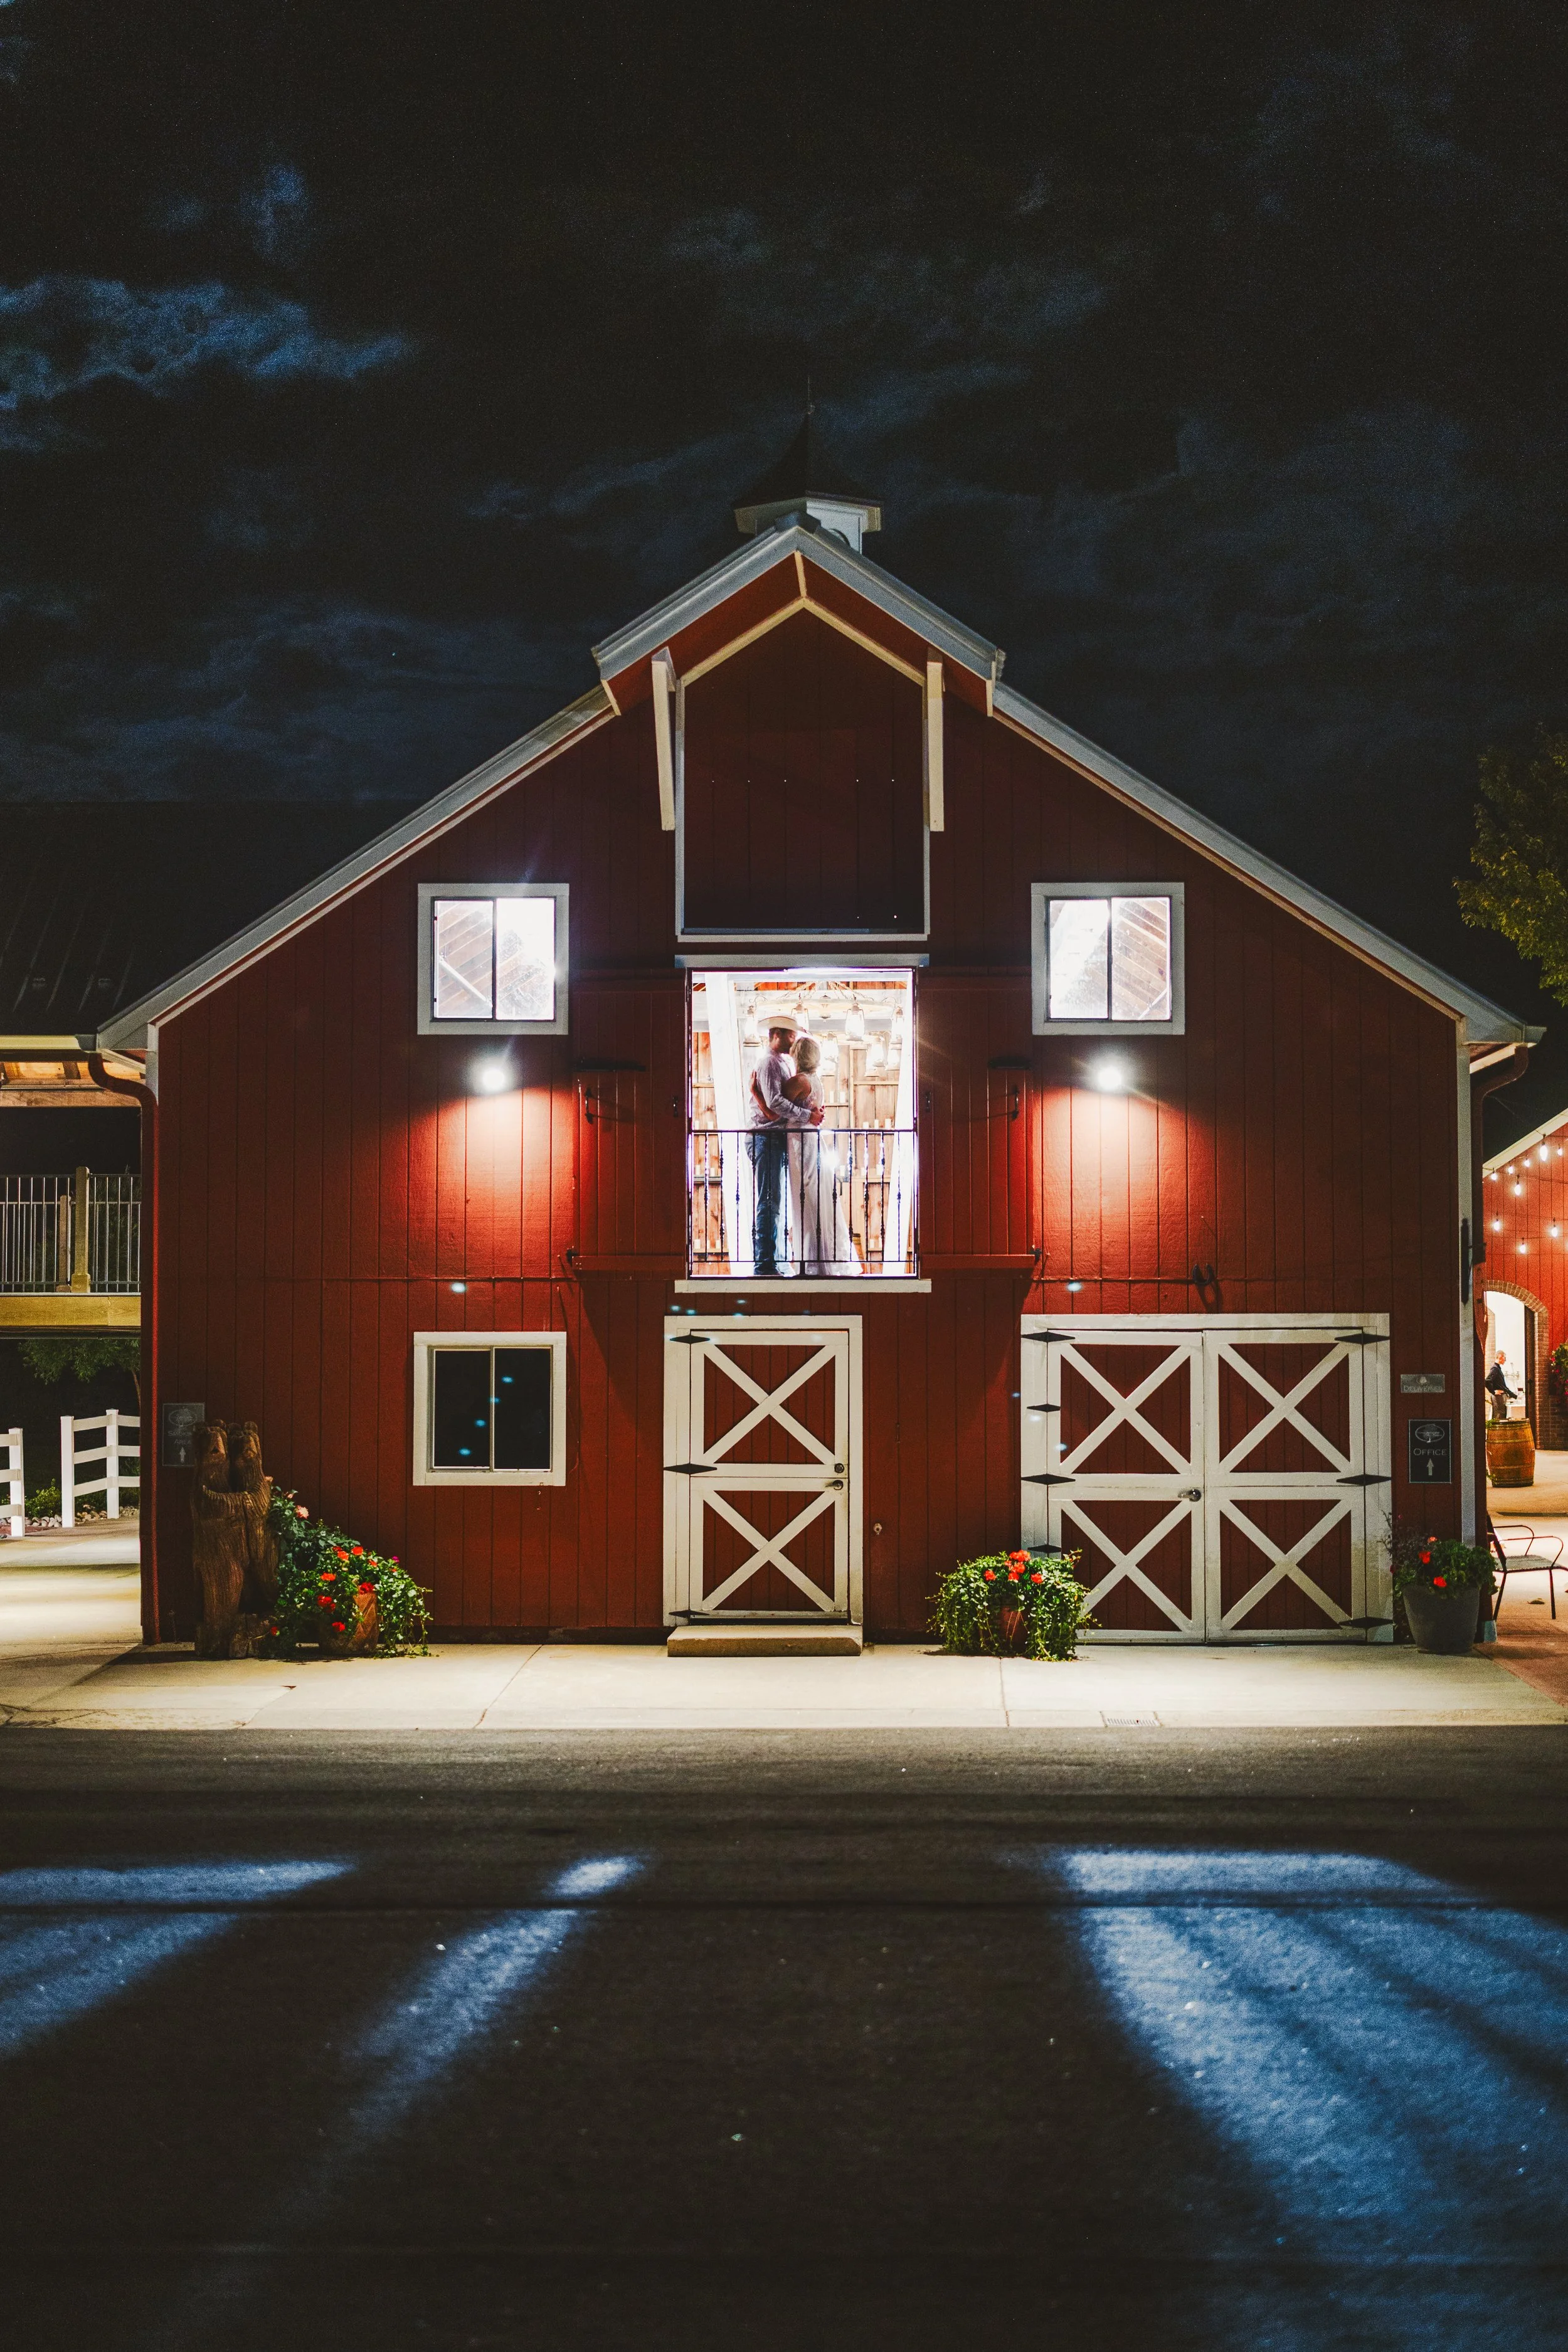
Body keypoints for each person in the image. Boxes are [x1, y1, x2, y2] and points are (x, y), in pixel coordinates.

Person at [746, 1020, 819, 1275]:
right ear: (776, 1035)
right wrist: (807, 1115)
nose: (794, 1041)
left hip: (778, 1137)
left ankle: (776, 1258)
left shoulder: (783, 1063)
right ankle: (765, 1262)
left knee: (777, 1200)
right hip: (765, 1137)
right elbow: (775, 1103)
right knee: (769, 1200)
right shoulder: (768, 1062)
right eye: (791, 1036)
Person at [785, 1036, 858, 1275]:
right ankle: (821, 1258)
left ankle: (812, 1262)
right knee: (816, 1201)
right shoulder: (816, 1081)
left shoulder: (799, 1081)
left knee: (805, 1200)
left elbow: (776, 1108)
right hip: (811, 1140)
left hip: (801, 1143)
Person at [1486, 1350, 1517, 1421]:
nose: (1505, 1360)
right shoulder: (1495, 1369)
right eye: (1505, 1358)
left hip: (1500, 1396)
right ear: (1500, 1357)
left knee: (1500, 1415)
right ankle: (1497, 1432)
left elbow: (1502, 1385)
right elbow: (1487, 1381)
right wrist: (1493, 1392)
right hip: (1498, 1397)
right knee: (1499, 1416)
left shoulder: (1497, 1368)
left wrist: (1513, 1395)